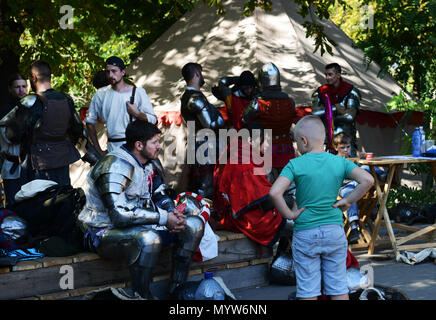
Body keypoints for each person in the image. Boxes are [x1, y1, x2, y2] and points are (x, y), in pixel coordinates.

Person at [78, 120, 205, 299]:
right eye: (154, 142)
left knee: (193, 225)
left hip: (138, 225)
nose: (159, 146)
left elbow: (159, 193)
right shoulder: (114, 165)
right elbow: (119, 215)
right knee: (148, 239)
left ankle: (178, 291)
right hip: (103, 232)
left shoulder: (147, 162)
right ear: (139, 145)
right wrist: (164, 218)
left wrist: (172, 211)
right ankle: (142, 295)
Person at [269, 115, 373, 300]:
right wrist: (348, 200)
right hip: (334, 232)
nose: (296, 147)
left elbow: (275, 192)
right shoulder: (339, 162)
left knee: (308, 290)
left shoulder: (295, 164)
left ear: (304, 140)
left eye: (296, 142)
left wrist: (290, 214)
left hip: (305, 234)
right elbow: (368, 180)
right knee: (339, 288)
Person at [213, 122, 294, 250]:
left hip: (232, 215)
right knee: (298, 224)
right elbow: (264, 202)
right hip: (245, 219)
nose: (268, 145)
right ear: (251, 140)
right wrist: (291, 200)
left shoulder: (235, 152)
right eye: (265, 141)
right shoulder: (245, 164)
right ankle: (282, 266)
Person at [17, 60, 81, 186]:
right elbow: (77, 129)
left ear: (33, 78)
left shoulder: (30, 102)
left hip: (38, 163)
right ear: (49, 76)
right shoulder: (66, 99)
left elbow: (13, 134)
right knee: (62, 199)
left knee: (39, 202)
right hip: (61, 159)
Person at [85, 56, 157, 156]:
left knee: (155, 169)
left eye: (114, 71)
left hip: (136, 148)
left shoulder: (138, 92)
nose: (110, 75)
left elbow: (153, 120)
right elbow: (89, 122)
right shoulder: (101, 94)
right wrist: (99, 150)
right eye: (108, 72)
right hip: (113, 148)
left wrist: (137, 114)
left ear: (123, 72)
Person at [242, 62, 299, 183]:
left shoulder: (257, 102)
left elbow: (244, 119)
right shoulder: (290, 101)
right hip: (285, 146)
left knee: (268, 184)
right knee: (289, 181)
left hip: (266, 147)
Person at [180, 62, 226, 199]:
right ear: (197, 74)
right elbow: (210, 125)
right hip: (204, 147)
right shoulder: (195, 98)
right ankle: (204, 218)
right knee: (205, 188)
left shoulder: (190, 96)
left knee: (203, 185)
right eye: (202, 73)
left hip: (202, 145)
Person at [334, 132, 387, 244]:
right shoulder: (334, 160)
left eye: (348, 147)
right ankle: (354, 227)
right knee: (350, 194)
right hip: (345, 187)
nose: (345, 150)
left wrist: (361, 160)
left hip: (359, 185)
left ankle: (382, 175)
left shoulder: (353, 159)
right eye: (342, 148)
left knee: (365, 166)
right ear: (336, 148)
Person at [312, 63, 361, 156]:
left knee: (349, 168)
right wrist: (335, 108)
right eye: (326, 74)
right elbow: (315, 113)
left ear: (338, 75)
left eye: (330, 74)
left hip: (346, 141)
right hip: (326, 140)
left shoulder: (351, 91)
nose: (327, 77)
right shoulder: (321, 91)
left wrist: (328, 116)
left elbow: (350, 116)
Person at [0, 73, 28, 206]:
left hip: (29, 167)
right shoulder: (5, 111)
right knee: (14, 206)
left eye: (24, 86)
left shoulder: (30, 107)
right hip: (11, 167)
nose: (21, 90)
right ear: (10, 89)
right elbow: (10, 138)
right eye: (17, 87)